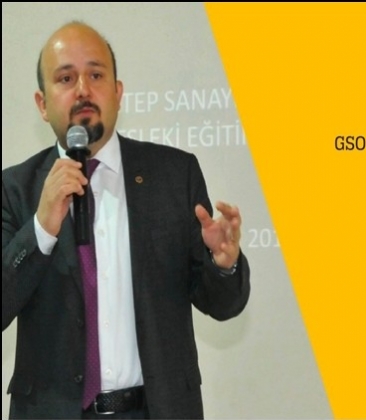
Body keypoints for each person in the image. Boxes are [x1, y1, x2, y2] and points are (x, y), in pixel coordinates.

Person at [1, 21, 251, 419]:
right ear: (42, 103)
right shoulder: (15, 189)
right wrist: (41, 229)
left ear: (118, 92)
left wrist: (224, 265)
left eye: (96, 75)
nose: (83, 89)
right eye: (65, 78)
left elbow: (222, 305)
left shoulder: (174, 175)